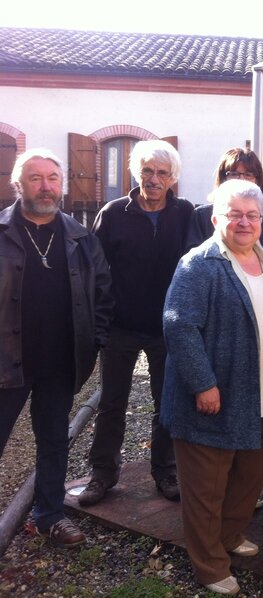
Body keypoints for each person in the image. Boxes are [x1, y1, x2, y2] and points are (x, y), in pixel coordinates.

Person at [161, 179, 263, 595]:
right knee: (207, 487)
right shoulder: (199, 264)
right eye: (234, 214)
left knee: (248, 477)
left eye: (252, 215)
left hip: (261, 395)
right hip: (213, 399)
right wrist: (203, 384)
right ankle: (209, 564)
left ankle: (231, 535)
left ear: (261, 221)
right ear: (216, 218)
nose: (244, 222)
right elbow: (180, 326)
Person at [0, 149, 113, 546]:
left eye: (52, 177)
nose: (46, 186)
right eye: (36, 178)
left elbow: (102, 294)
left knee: (53, 441)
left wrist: (94, 342)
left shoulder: (81, 237)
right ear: (19, 185)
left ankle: (49, 516)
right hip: (6, 364)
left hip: (60, 362)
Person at [79, 140, 195, 507]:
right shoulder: (113, 213)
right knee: (112, 403)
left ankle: (164, 469)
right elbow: (95, 271)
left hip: (167, 326)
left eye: (162, 172)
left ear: (172, 177)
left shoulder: (185, 214)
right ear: (136, 173)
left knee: (167, 403)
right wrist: (102, 319)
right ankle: (102, 473)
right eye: (147, 170)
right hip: (121, 325)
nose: (154, 179)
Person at [186, 147, 263, 253]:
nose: (241, 179)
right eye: (233, 174)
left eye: (248, 175)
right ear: (222, 178)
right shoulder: (202, 216)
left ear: (258, 180)